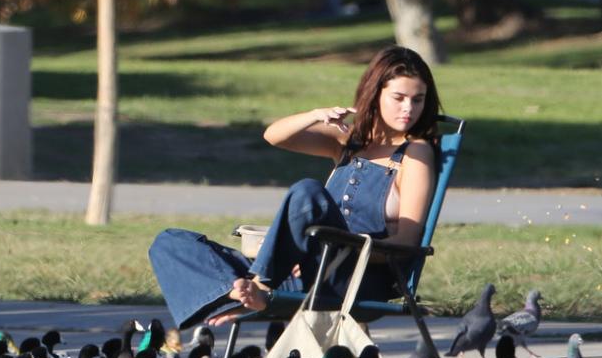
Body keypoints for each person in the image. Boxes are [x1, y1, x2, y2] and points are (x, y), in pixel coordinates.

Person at [149, 45, 440, 330]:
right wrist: (316, 114)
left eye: (418, 100)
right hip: (306, 270)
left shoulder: (415, 153)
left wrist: (335, 251)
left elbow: (407, 243)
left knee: (308, 192)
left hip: (357, 278)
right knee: (170, 242)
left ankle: (257, 288)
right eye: (399, 98)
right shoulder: (349, 141)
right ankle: (240, 291)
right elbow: (274, 135)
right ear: (374, 95)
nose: (408, 109)